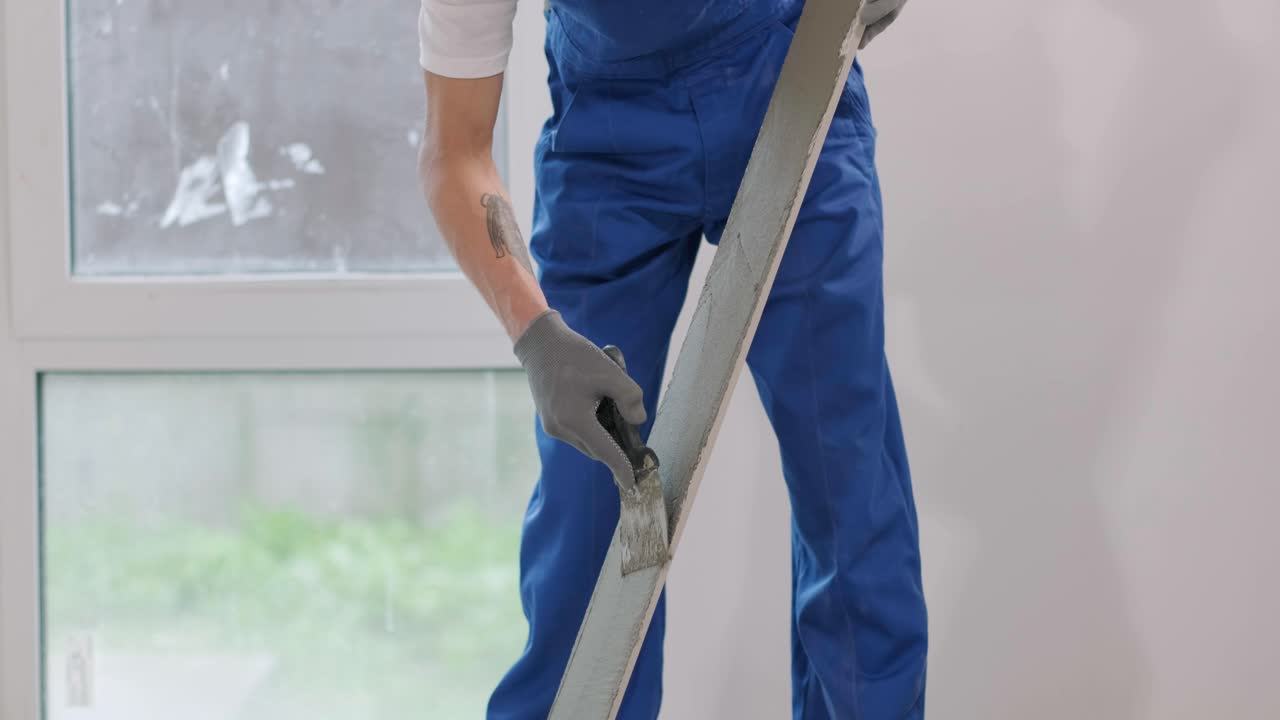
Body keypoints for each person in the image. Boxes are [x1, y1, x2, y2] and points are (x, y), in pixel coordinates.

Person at [416, 1, 925, 717]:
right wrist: (535, 336)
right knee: (588, 521)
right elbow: (454, 149)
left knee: (849, 491)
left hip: (786, 78)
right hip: (608, 146)